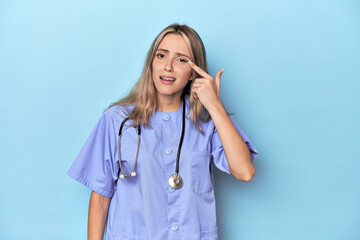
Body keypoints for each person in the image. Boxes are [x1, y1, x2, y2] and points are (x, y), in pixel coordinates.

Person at [67, 23, 258, 240]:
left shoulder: (208, 120)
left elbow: (245, 171)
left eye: (181, 60)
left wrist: (214, 105)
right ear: (151, 63)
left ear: (194, 72)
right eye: (161, 55)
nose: (168, 67)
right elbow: (100, 199)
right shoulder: (117, 120)